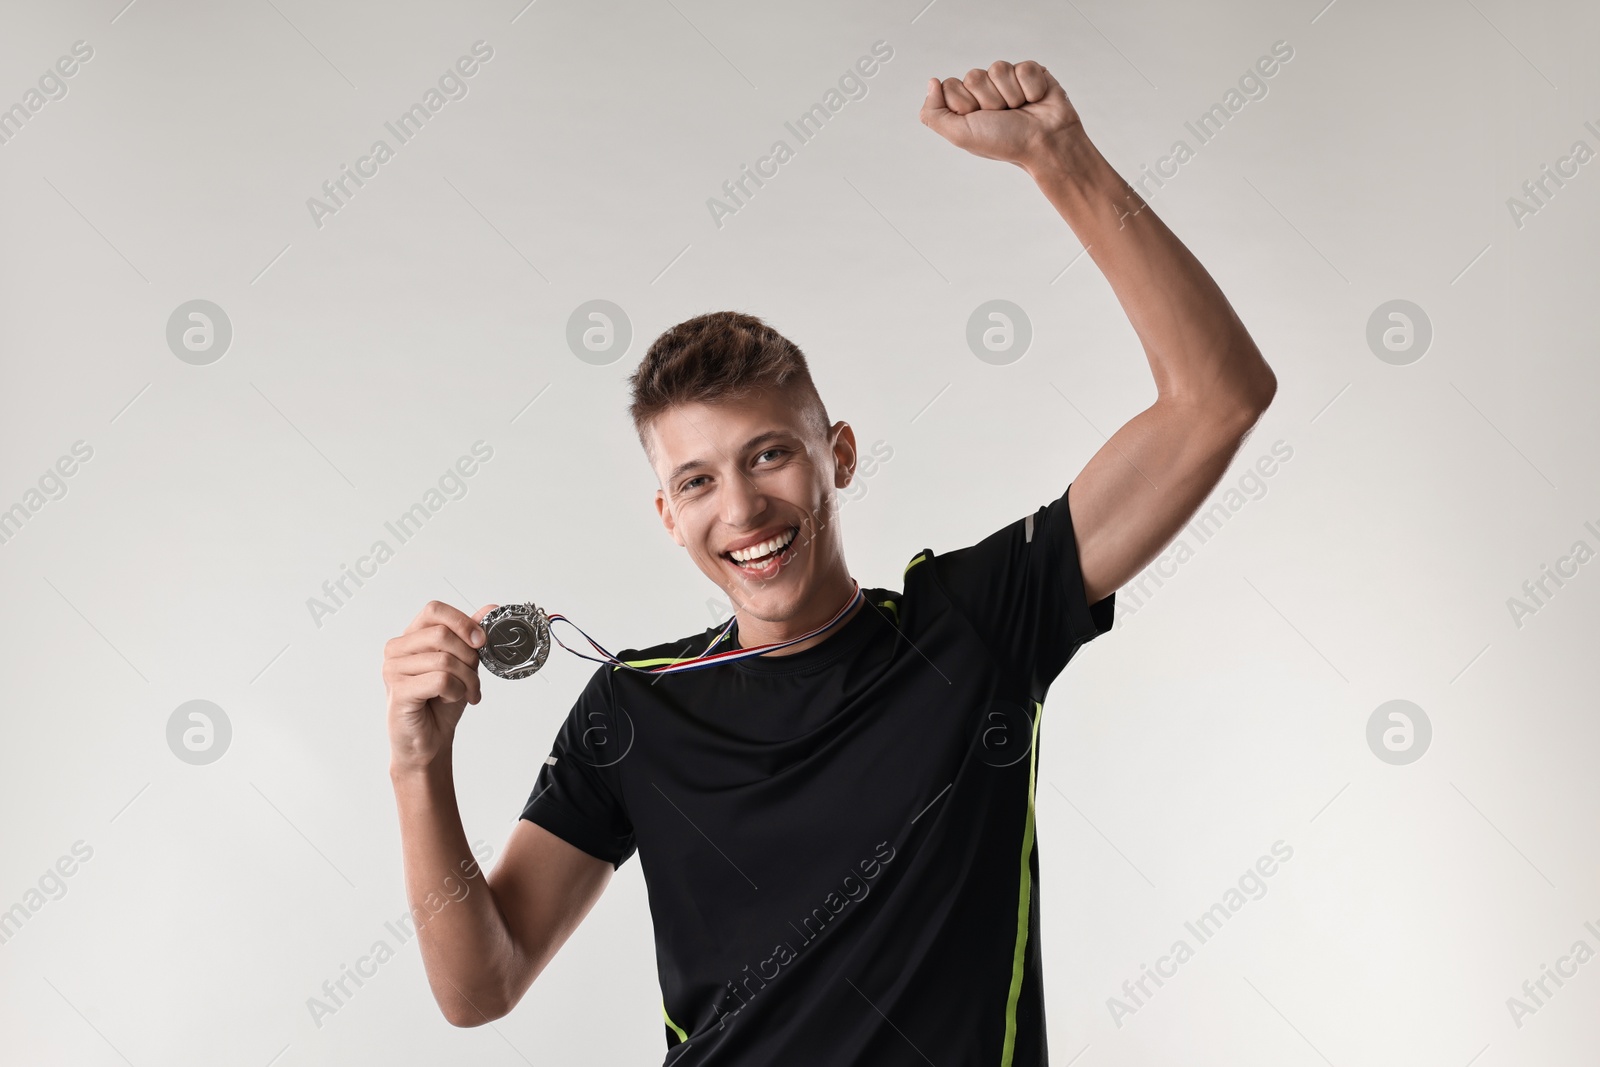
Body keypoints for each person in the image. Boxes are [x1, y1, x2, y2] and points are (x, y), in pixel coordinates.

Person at [382, 59, 1276, 1066]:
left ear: (835, 454)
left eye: (769, 454)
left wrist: (1055, 159)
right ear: (668, 515)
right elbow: (479, 985)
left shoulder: (974, 625)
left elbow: (1218, 396)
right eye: (697, 481)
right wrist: (420, 761)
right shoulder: (632, 708)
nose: (742, 508)